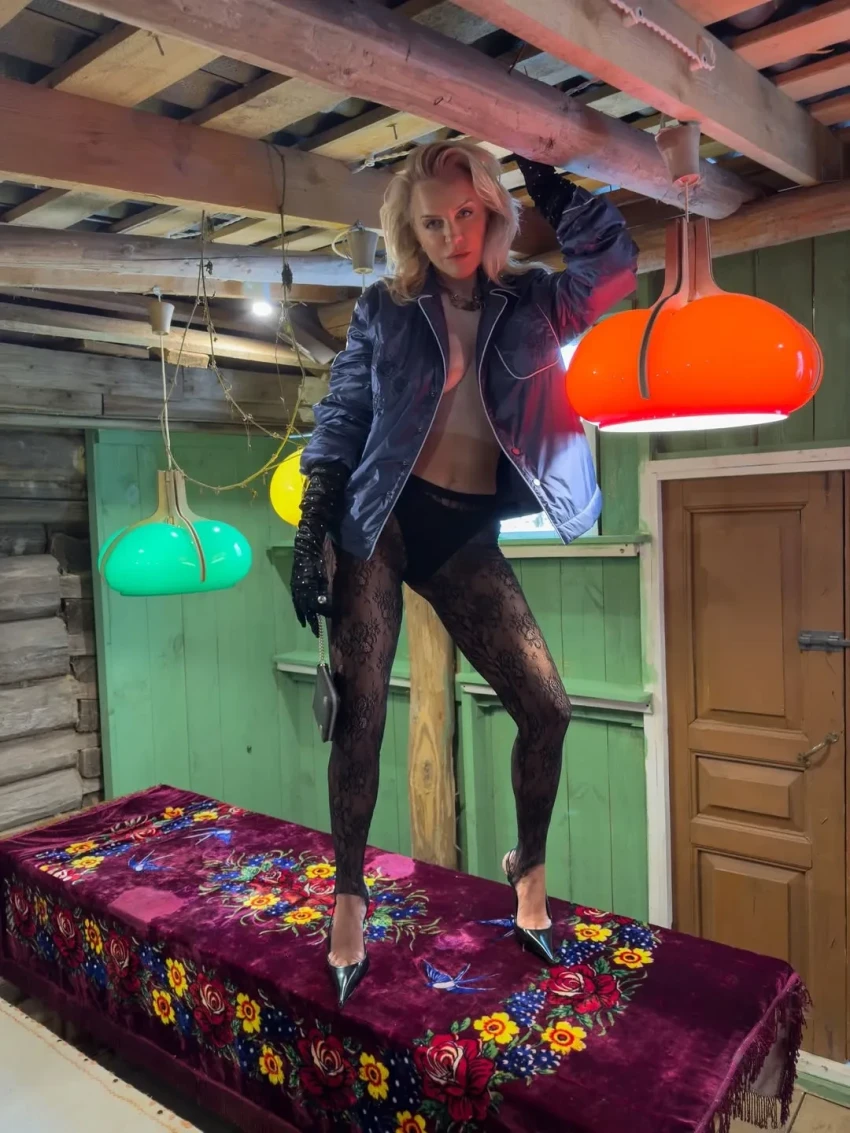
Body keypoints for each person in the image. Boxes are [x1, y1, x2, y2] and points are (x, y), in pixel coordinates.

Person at [291, 140, 638, 1008]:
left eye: (467, 214)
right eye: (433, 223)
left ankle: (528, 870)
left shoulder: (533, 301)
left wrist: (551, 181)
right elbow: (343, 411)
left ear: (493, 210)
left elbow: (611, 274)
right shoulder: (384, 307)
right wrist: (312, 524)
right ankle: (348, 899)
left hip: (463, 531)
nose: (452, 235)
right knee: (363, 709)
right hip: (381, 518)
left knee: (547, 707)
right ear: (410, 230)